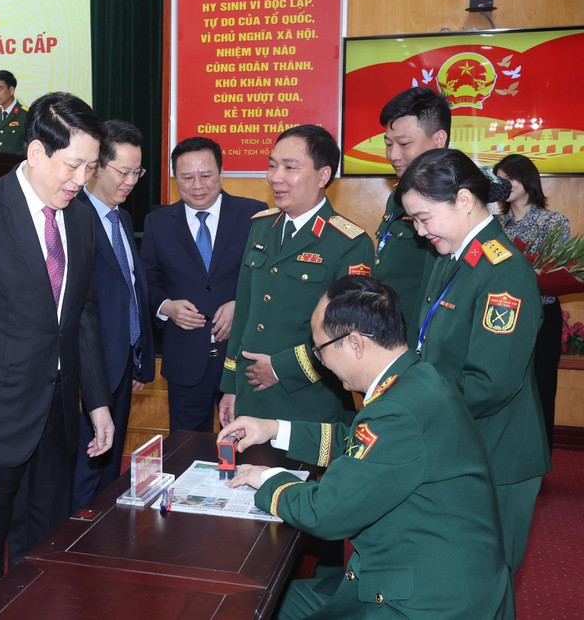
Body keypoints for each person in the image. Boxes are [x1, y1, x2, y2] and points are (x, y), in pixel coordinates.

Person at [219, 275, 514, 619]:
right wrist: (272, 428)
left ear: (356, 344)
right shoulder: (417, 378)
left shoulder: (397, 411)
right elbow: (360, 447)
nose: (321, 361)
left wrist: (265, 477)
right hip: (411, 571)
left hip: (425, 601)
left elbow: (325, 513)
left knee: (251, 604)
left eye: (320, 349)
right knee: (258, 599)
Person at [0, 91, 114, 619]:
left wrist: (95, 400)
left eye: (91, 167)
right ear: (35, 153)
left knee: (44, 554)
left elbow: (83, 317)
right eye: (73, 165)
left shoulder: (78, 218)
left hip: (55, 419)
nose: (81, 179)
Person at [396, 148, 550, 575]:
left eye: (425, 218)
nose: (421, 231)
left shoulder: (503, 271)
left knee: (485, 584)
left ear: (464, 201)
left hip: (496, 456)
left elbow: (489, 384)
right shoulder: (455, 256)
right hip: (458, 442)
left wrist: (410, 409)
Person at [220, 125, 375, 425]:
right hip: (250, 396)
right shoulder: (261, 226)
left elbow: (348, 333)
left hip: (308, 400)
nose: (275, 177)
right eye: (272, 165)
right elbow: (245, 314)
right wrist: (230, 386)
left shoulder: (350, 244)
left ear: (323, 176)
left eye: (290, 168)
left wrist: (281, 368)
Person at [140, 137, 266, 432]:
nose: (197, 185)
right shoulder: (157, 222)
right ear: (175, 178)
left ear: (221, 174)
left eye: (206, 175)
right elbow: (146, 280)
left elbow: (265, 277)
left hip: (241, 361)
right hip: (185, 359)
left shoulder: (255, 215)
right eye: (187, 177)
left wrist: (241, 305)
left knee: (244, 445)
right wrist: (166, 306)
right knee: (185, 448)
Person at [71, 119, 155, 512]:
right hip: (88, 371)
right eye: (123, 171)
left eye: (137, 172)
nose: (132, 181)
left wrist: (138, 357)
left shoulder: (120, 217)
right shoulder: (73, 216)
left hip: (121, 366)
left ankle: (101, 544)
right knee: (85, 468)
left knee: (109, 467)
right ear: (96, 166)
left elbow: (131, 289)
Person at [494, 153, 571, 452]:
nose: (505, 184)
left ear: (528, 179)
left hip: (542, 312)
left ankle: (538, 453)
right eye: (500, 180)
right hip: (504, 312)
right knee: (508, 382)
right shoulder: (496, 224)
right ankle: (508, 450)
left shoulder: (553, 221)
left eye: (510, 178)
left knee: (541, 384)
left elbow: (559, 267)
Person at [374, 87, 449, 345]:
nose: (394, 155)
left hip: (415, 344)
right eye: (388, 144)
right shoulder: (399, 197)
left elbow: (436, 289)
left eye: (404, 144)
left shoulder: (449, 202)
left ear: (438, 140)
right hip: (388, 336)